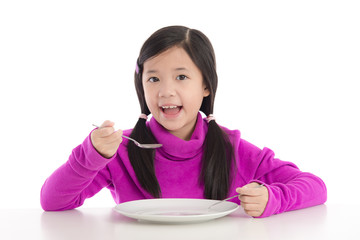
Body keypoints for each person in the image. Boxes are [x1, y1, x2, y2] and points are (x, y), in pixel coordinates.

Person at [40, 25, 327, 218]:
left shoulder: (233, 149)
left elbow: (315, 186)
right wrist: (92, 154)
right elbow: (52, 202)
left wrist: (271, 199)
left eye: (181, 77)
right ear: (141, 87)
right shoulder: (121, 151)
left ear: (206, 86)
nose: (166, 91)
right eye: (153, 78)